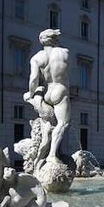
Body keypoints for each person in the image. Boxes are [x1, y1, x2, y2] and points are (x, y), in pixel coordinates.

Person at [24, 28, 70, 165]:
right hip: (60, 90)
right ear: (55, 39)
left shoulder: (37, 57)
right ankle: (51, 155)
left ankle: (43, 154)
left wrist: (30, 94)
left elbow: (33, 79)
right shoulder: (64, 53)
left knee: (50, 124)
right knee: (63, 123)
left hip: (48, 92)